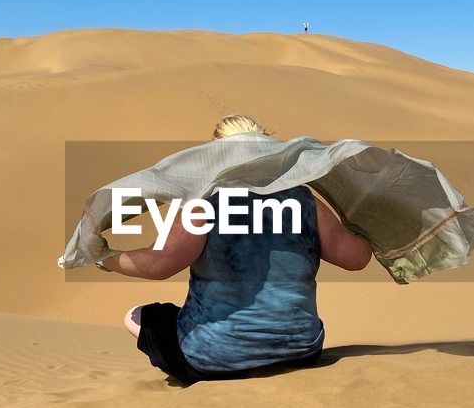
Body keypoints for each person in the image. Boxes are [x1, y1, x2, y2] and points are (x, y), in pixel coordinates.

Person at [98, 114, 374, 383]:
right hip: (301, 350)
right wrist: (372, 222)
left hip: (215, 360)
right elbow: (357, 258)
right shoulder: (304, 201)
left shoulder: (203, 205)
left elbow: (160, 263)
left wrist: (105, 258)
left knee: (136, 315)